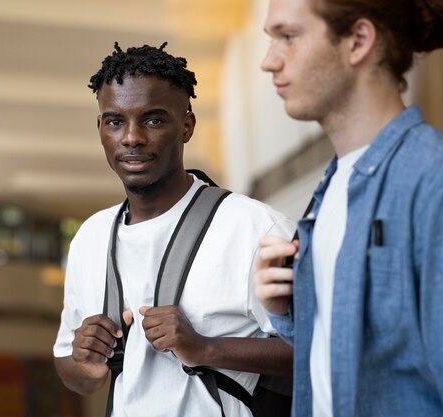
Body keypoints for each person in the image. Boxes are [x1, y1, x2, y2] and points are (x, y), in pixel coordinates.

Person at [254, 0, 443, 416]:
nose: (268, 61)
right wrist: (287, 313)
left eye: (288, 36)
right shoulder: (330, 190)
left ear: (358, 41)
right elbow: (361, 368)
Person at [53, 42, 293, 417]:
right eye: (116, 121)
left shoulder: (255, 228)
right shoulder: (91, 237)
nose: (132, 138)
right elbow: (74, 374)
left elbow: (322, 351)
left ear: (186, 125)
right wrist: (86, 360)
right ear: (100, 128)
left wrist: (205, 348)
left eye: (153, 120)